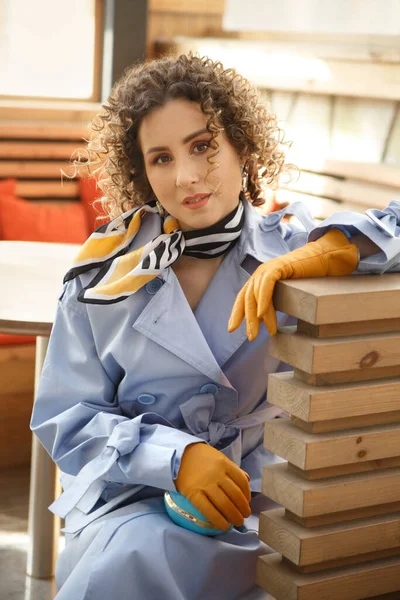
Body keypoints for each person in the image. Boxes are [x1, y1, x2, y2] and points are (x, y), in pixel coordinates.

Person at [30, 53, 400, 600]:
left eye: (203, 146)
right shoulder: (102, 276)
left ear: (242, 147)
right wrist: (175, 458)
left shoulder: (292, 244)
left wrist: (327, 254)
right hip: (138, 501)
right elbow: (68, 418)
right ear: (141, 173)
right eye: (160, 158)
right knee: (123, 567)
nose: (185, 177)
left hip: (269, 506)